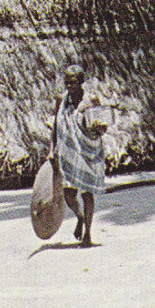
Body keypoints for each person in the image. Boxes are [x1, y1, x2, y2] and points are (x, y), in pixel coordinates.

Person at [49, 64, 106, 247]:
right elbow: (55, 127)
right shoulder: (61, 100)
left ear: (81, 82)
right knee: (69, 194)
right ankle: (80, 217)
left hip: (88, 151)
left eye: (73, 82)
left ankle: (88, 233)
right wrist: (52, 149)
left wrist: (98, 127)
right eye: (66, 82)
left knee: (87, 193)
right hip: (69, 153)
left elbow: (103, 126)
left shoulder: (91, 100)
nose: (69, 86)